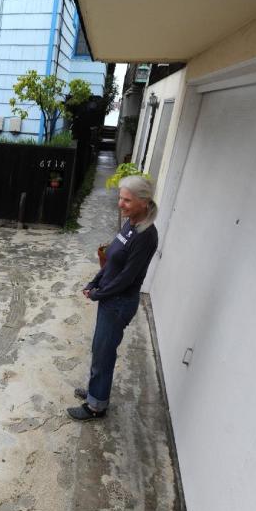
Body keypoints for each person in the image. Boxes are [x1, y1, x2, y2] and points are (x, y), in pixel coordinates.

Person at [68, 175, 159, 421]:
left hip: (119, 303)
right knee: (100, 350)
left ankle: (96, 406)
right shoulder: (130, 223)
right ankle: (95, 391)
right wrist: (95, 282)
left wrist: (99, 293)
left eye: (127, 200)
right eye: (120, 197)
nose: (120, 203)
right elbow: (112, 260)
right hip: (109, 297)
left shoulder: (146, 235)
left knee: (104, 353)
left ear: (144, 201)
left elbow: (126, 278)